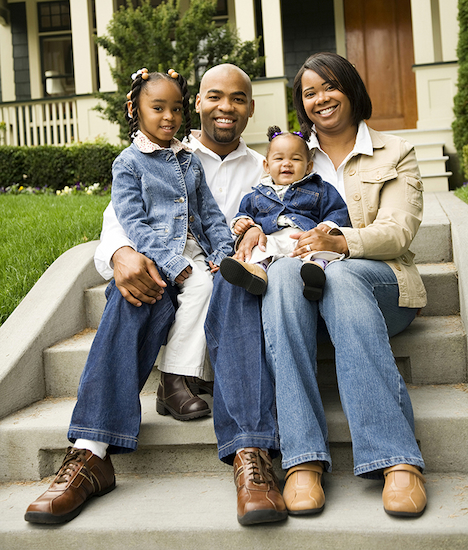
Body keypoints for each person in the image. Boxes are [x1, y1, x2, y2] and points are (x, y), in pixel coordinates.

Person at [25, 64, 287, 526]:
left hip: (225, 279)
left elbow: (291, 218)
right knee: (131, 293)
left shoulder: (268, 168)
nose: (226, 107)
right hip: (168, 272)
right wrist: (123, 254)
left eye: (239, 99)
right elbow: (120, 220)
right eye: (215, 96)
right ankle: (90, 453)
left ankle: (251, 454)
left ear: (250, 109)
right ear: (200, 105)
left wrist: (254, 240)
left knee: (238, 284)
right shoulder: (157, 157)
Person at [256, 52, 428, 518]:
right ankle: (303, 460)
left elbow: (398, 231)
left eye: (329, 86)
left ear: (351, 88)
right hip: (302, 292)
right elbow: (261, 213)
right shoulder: (288, 154)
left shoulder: (395, 152)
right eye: (309, 93)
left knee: (345, 276)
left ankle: (396, 458)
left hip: (383, 285)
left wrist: (339, 241)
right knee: (285, 273)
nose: (320, 99)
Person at [111, 67, 233, 420]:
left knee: (217, 282)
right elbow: (133, 224)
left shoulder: (189, 160)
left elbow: (211, 216)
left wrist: (223, 252)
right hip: (159, 254)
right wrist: (171, 263)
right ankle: (173, 379)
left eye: (177, 108)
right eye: (158, 107)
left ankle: (205, 378)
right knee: (200, 285)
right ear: (134, 109)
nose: (169, 117)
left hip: (197, 249)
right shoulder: (129, 163)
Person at [220, 125, 349, 299]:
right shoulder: (256, 194)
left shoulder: (320, 188)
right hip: (272, 237)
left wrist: (326, 226)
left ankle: (315, 272)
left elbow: (337, 210)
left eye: (295, 159)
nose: (287, 163)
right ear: (266, 165)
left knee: (318, 251)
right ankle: (257, 273)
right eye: (279, 158)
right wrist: (242, 222)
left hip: (305, 237)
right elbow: (245, 213)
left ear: (309, 166)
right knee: (260, 249)